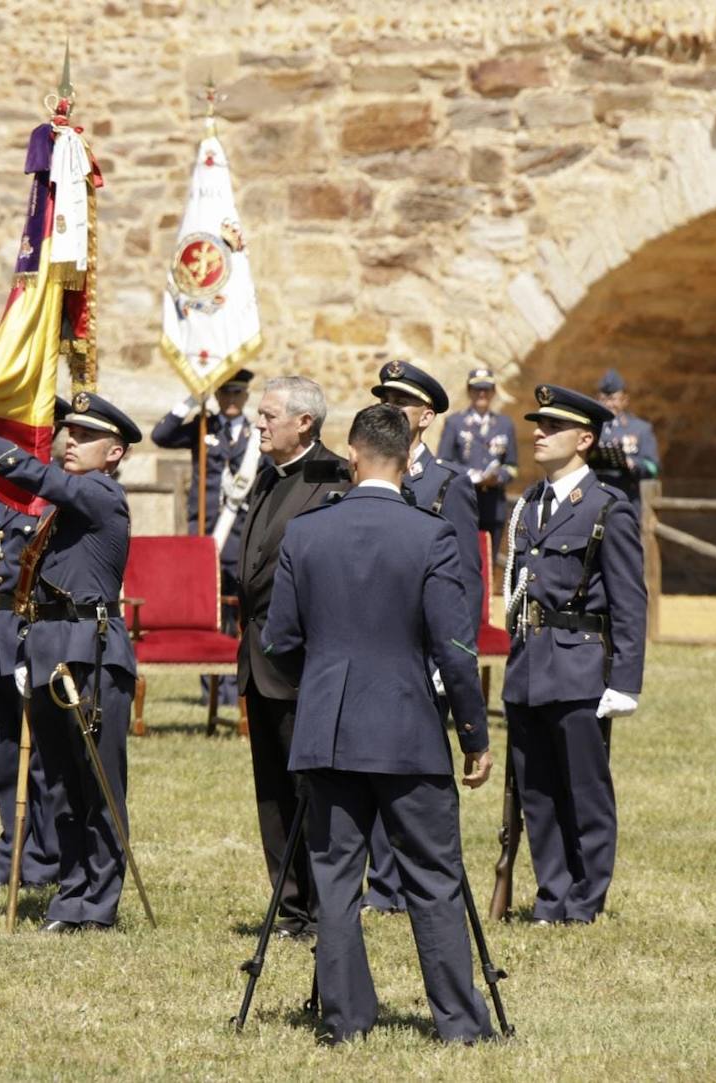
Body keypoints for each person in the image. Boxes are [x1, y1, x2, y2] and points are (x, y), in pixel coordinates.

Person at [264, 402, 495, 1045]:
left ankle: (345, 1022)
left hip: (328, 727)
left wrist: (326, 677)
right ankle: (457, 1024)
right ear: (404, 461)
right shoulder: (430, 534)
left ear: (355, 456)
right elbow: (454, 647)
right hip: (407, 725)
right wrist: (473, 735)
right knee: (434, 877)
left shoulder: (307, 533)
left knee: (336, 881)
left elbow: (279, 638)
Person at [0, 389, 139, 932]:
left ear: (115, 453)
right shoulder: (64, 508)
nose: (71, 441)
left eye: (87, 436)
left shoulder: (101, 495)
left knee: (98, 782)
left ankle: (99, 903)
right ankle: (71, 894)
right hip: (47, 648)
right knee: (57, 784)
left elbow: (32, 477)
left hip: (91, 653)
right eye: (71, 432)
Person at [503, 384, 647, 925]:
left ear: (584, 439)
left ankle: (585, 899)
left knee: (584, 789)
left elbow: (631, 600)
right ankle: (552, 895)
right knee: (536, 788)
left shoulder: (608, 508)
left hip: (581, 663)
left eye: (552, 427)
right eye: (538, 424)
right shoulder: (531, 502)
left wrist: (626, 681)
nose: (538, 433)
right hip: (530, 663)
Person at [366, 359, 482, 914]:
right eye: (382, 398)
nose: (387, 408)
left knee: (416, 771)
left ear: (426, 416)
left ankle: (413, 882)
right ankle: (380, 885)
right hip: (372, 646)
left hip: (422, 648)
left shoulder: (446, 485)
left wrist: (451, 655)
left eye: (400, 402)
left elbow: (465, 579)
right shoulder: (366, 474)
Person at [236, 376, 349, 940]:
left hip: (304, 665)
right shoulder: (267, 475)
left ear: (304, 422)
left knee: (312, 791)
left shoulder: (333, 479)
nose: (259, 423)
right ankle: (292, 906)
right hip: (260, 658)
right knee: (272, 793)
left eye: (269, 415)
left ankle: (326, 908)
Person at [150, 368, 257, 706]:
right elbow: (160, 436)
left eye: (237, 393)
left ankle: (235, 688)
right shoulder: (203, 428)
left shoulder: (257, 438)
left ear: (246, 397)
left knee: (239, 614)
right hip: (207, 534)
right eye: (225, 393)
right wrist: (191, 400)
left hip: (240, 537)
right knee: (208, 613)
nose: (231, 400)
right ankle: (211, 691)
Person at [0, 501, 59, 889]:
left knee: (40, 760)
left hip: (29, 632)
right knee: (2, 760)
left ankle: (42, 860)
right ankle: (10, 857)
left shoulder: (54, 500)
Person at [437, 367, 519, 557]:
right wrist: (471, 476)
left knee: (489, 560)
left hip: (493, 505)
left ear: (493, 392)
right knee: (464, 559)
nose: (482, 394)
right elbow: (443, 462)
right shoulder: (455, 423)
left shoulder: (504, 424)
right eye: (477, 389)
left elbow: (512, 466)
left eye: (487, 389)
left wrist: (497, 477)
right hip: (464, 502)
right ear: (469, 391)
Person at [591, 369, 660, 508]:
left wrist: (632, 463)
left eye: (613, 399)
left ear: (624, 400)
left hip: (626, 499)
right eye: (603, 399)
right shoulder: (590, 427)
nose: (609, 405)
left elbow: (653, 468)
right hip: (594, 497)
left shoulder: (640, 429)